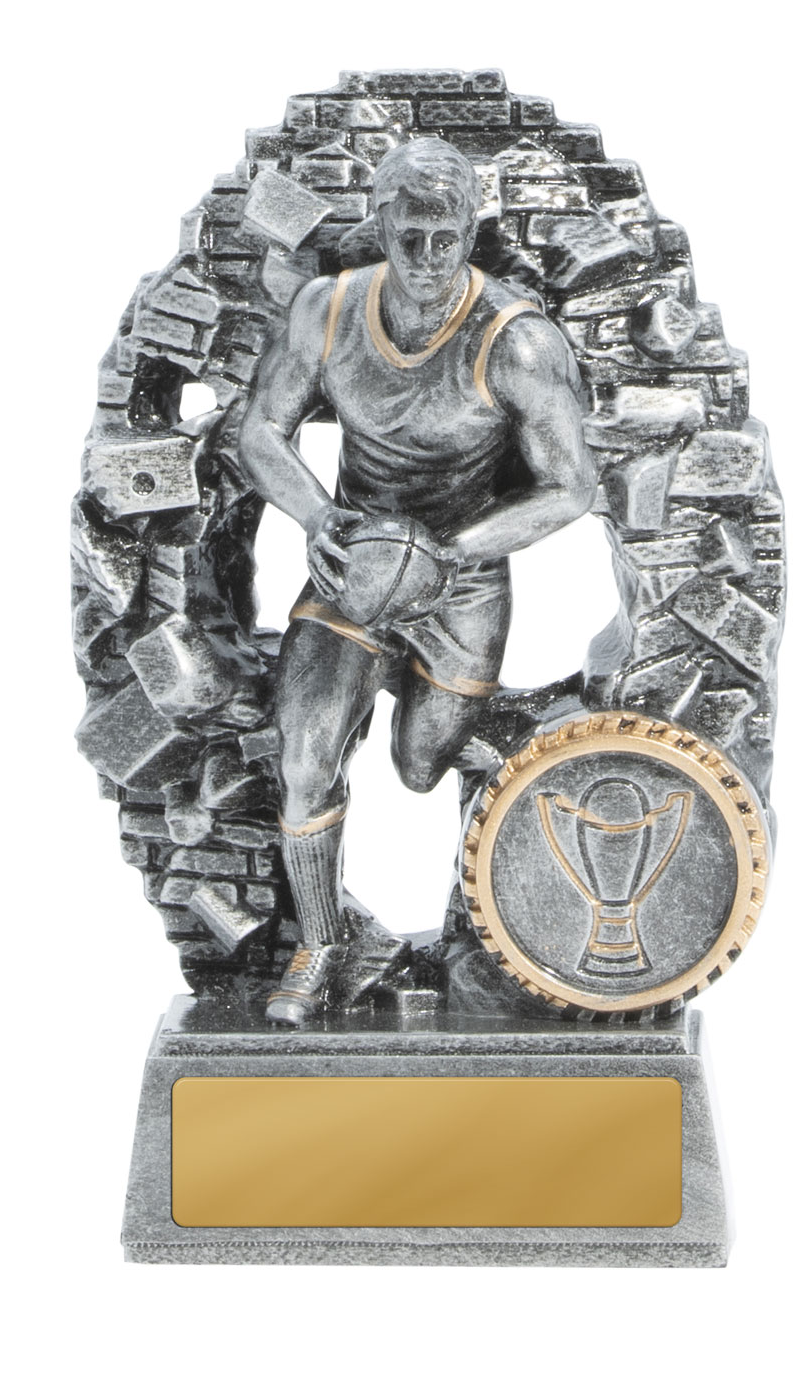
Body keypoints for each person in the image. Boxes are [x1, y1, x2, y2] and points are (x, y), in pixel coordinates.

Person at [239, 137, 596, 1023]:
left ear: (471, 232)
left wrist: (452, 551)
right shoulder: (328, 309)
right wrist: (317, 516)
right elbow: (260, 432)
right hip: (356, 565)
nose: (430, 257)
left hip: (459, 580)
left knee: (420, 766)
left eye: (447, 238)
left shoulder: (516, 342)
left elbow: (571, 487)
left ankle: (492, 752)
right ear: (381, 226)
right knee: (304, 753)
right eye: (411, 237)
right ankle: (319, 945)